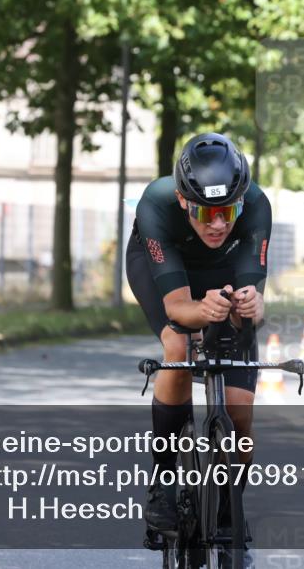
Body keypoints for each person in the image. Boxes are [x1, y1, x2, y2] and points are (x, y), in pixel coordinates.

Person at [126, 132, 271, 546]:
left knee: (241, 408)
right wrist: (201, 312)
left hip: (224, 268)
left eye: (228, 211)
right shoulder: (156, 203)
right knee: (178, 345)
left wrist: (252, 306)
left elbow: (251, 303)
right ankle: (164, 482)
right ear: (184, 201)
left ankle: (229, 506)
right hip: (166, 268)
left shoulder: (257, 204)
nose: (220, 223)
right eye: (206, 214)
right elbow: (177, 308)